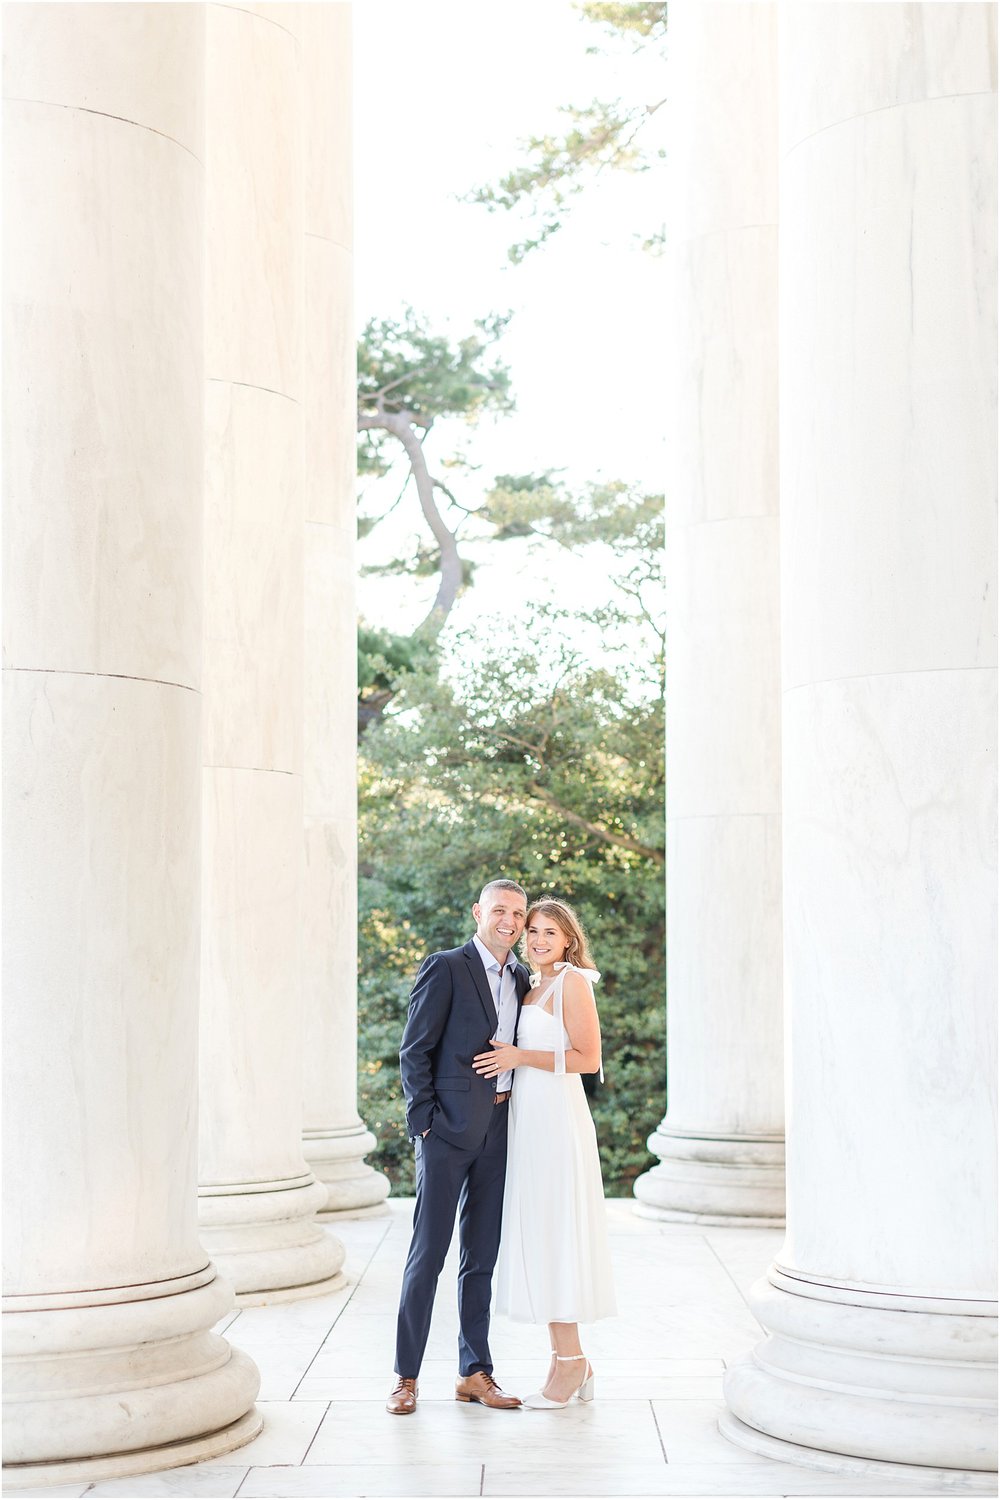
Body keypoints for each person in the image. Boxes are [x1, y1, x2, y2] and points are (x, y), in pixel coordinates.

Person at [387, 878, 532, 1416]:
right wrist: (423, 1124)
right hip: (446, 1133)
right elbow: (414, 1050)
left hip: (499, 1132)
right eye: (500, 911)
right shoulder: (445, 966)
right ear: (478, 912)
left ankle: (475, 1372)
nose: (510, 922)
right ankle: (405, 1377)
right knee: (427, 1257)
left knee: (480, 1258)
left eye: (518, 914)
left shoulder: (521, 976)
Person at [473, 897, 616, 1408]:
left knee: (556, 1235)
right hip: (528, 1123)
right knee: (540, 1233)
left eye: (549, 934)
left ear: (568, 941)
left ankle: (572, 1361)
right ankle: (567, 1359)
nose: (536, 940)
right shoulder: (531, 985)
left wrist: (518, 1055)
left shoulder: (573, 982)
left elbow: (588, 1057)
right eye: (532, 930)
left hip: (556, 1121)